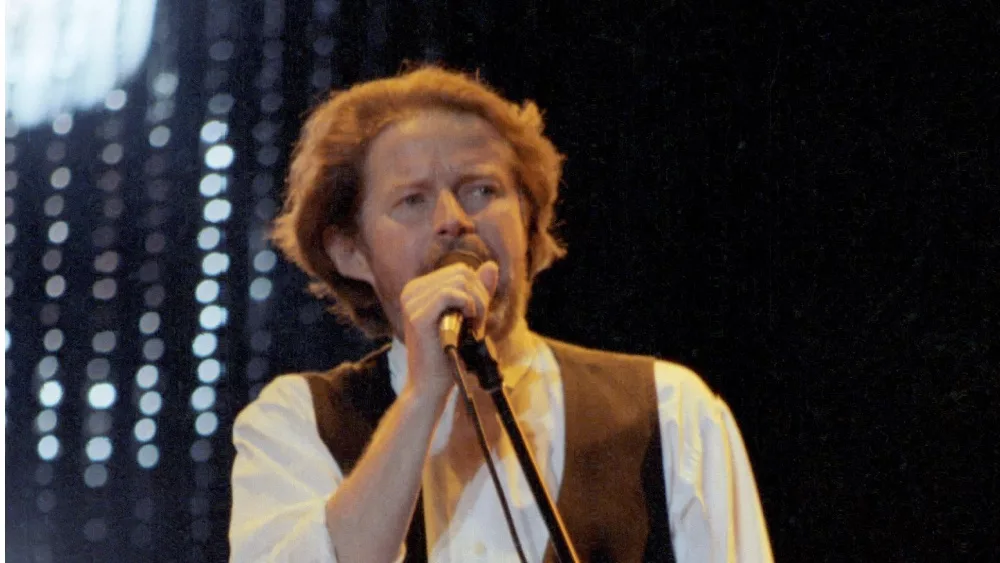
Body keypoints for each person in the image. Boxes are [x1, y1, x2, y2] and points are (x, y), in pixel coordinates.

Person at [229, 65, 773, 563]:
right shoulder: (297, 425)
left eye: (481, 190)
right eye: (412, 200)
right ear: (351, 250)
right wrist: (422, 398)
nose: (453, 219)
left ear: (529, 220)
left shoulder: (667, 410)